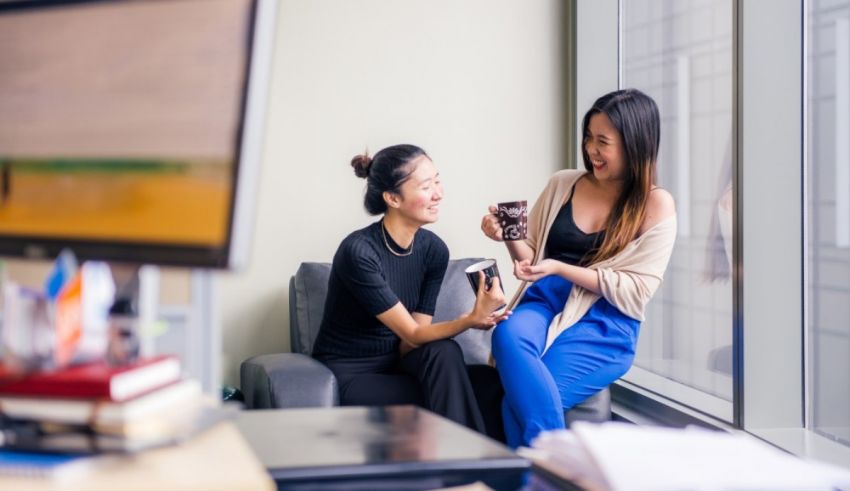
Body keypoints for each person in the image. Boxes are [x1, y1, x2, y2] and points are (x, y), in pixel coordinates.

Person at [480, 89, 677, 448]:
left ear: (635, 144)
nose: (591, 150)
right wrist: (507, 235)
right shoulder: (564, 183)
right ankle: (552, 469)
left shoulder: (655, 203)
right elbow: (531, 262)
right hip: (544, 301)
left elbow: (637, 290)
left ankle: (543, 473)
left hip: (604, 323)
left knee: (518, 404)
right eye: (588, 138)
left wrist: (561, 268)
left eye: (603, 142)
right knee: (506, 334)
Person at [312, 144, 509, 437]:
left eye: (437, 181)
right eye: (426, 187)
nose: (438, 193)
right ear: (392, 198)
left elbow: (411, 343)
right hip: (354, 374)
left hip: (400, 362)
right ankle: (467, 461)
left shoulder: (433, 250)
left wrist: (476, 317)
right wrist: (470, 320)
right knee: (461, 391)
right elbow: (414, 334)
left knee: (468, 368)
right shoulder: (359, 253)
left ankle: (469, 457)